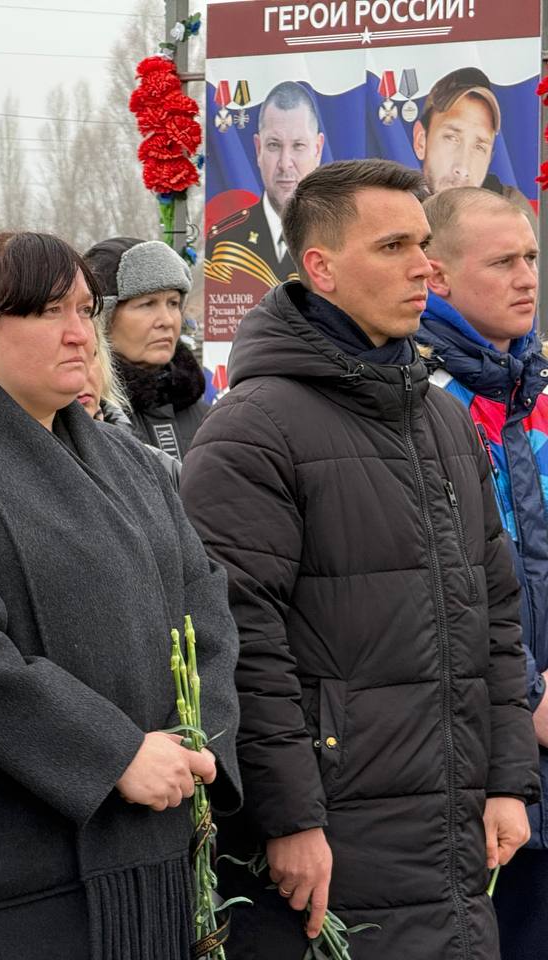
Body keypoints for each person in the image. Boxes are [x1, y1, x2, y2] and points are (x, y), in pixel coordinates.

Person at [180, 159, 540, 960]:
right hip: (332, 843)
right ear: (321, 267)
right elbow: (239, 643)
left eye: (423, 244)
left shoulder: (441, 423)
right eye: (393, 247)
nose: (424, 267)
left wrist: (508, 780)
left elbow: (495, 613)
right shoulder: (253, 430)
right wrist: (288, 816)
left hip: (452, 836)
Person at [0, 229, 241, 960]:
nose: (79, 334)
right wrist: (115, 755)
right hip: (13, 887)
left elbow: (207, 606)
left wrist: (199, 741)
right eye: (48, 312)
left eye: (85, 311)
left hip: (156, 858)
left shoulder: (133, 463)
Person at [415, 186, 548, 960]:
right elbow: (444, 582)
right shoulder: (425, 402)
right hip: (477, 760)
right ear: (436, 274)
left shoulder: (535, 394)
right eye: (502, 263)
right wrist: (528, 696)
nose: (527, 278)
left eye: (531, 257)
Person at [83, 237, 207, 461]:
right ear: (102, 318)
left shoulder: (210, 418)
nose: (167, 320)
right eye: (147, 304)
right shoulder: (83, 414)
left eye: (173, 303)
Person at [206, 81, 323, 290]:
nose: (285, 163)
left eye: (298, 146)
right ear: (258, 149)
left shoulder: (343, 239)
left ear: (318, 149)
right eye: (274, 145)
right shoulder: (223, 246)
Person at [412, 67, 527, 205]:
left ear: (489, 159)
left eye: (479, 147)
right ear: (421, 142)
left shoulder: (511, 208)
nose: (462, 169)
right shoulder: (395, 207)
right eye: (452, 138)